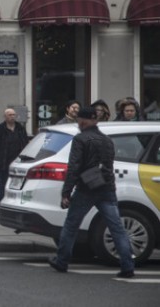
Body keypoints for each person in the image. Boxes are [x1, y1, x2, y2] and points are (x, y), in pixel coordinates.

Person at [48, 107, 135, 278]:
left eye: (80, 121)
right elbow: (108, 166)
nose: (79, 124)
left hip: (86, 188)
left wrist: (66, 192)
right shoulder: (107, 140)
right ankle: (127, 265)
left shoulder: (81, 139)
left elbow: (74, 167)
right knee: (116, 227)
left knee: (71, 225)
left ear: (82, 121)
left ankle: (62, 260)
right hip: (107, 188)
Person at [0, 108, 29, 204]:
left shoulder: (20, 129)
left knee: (18, 185)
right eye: (10, 115)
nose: (12, 117)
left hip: (18, 163)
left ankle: (16, 203)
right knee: (3, 184)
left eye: (14, 115)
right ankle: (1, 203)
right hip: (3, 163)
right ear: (5, 117)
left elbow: (26, 144)